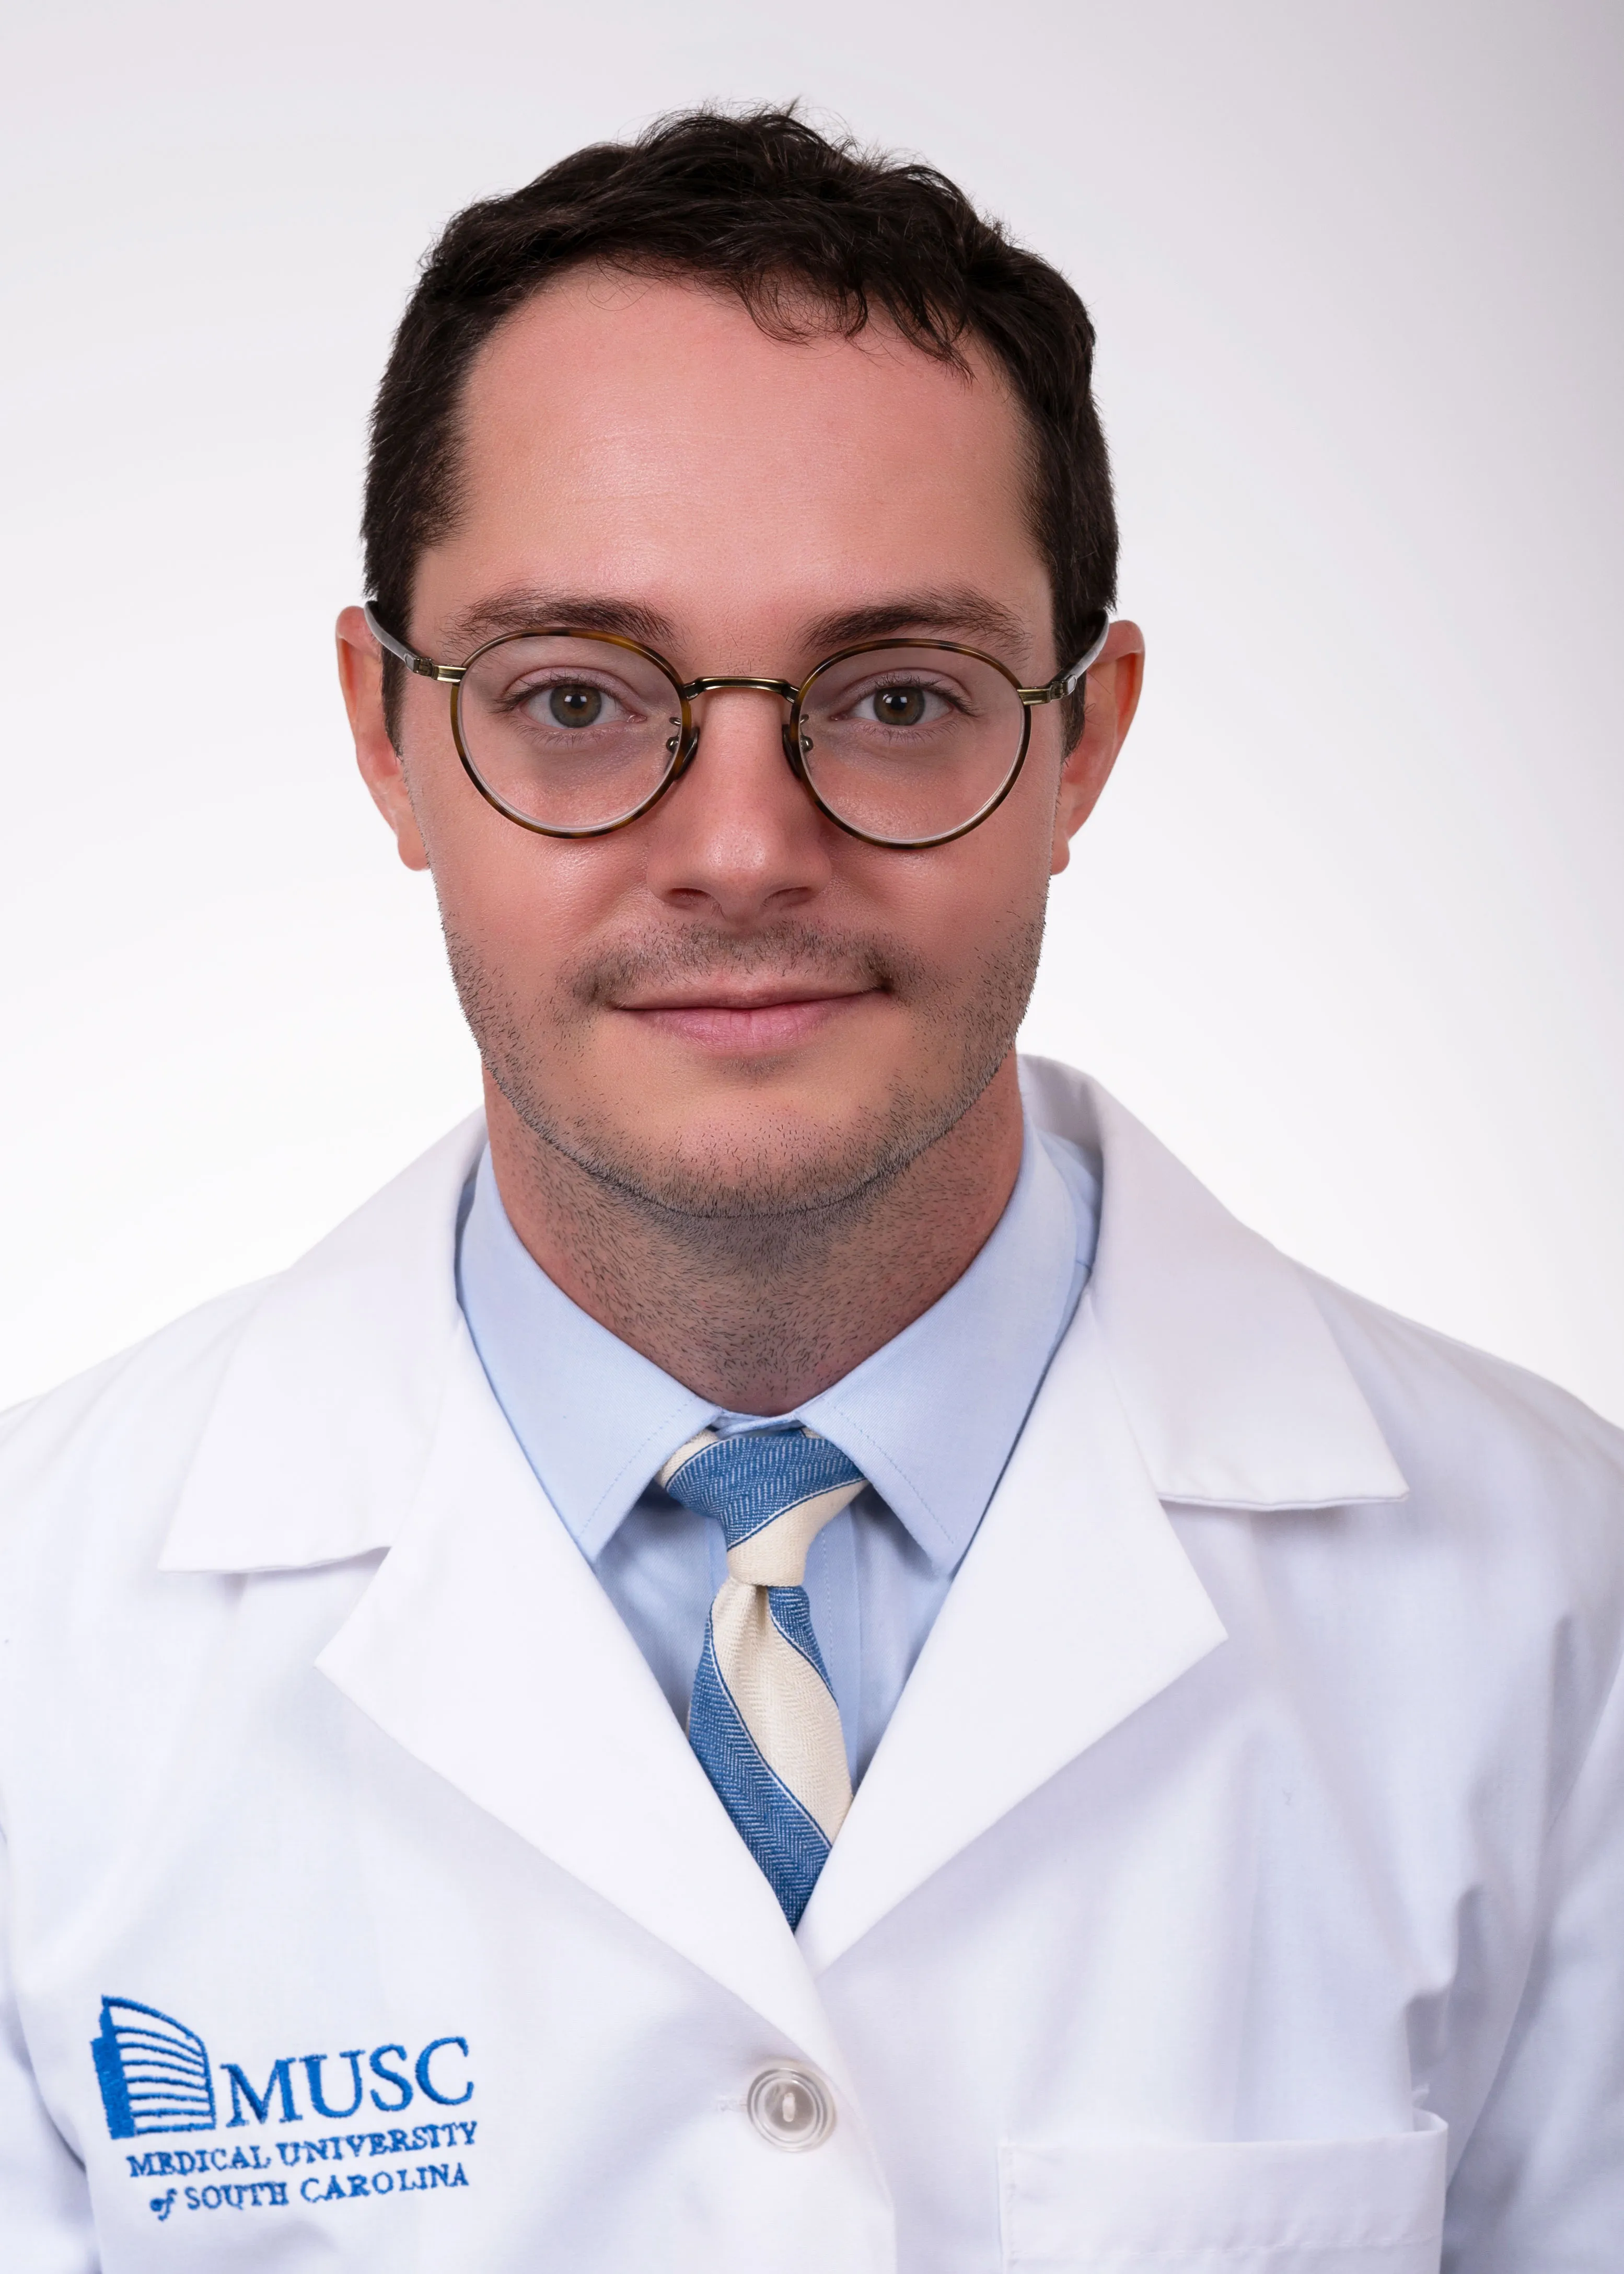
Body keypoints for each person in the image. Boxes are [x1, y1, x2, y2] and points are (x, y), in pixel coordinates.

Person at [1, 105, 1619, 2274]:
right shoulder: (37, 1643)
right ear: (389, 735)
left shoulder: (1555, 1605)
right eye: (577, 698)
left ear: (1081, 742)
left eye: (896, 697)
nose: (746, 850)